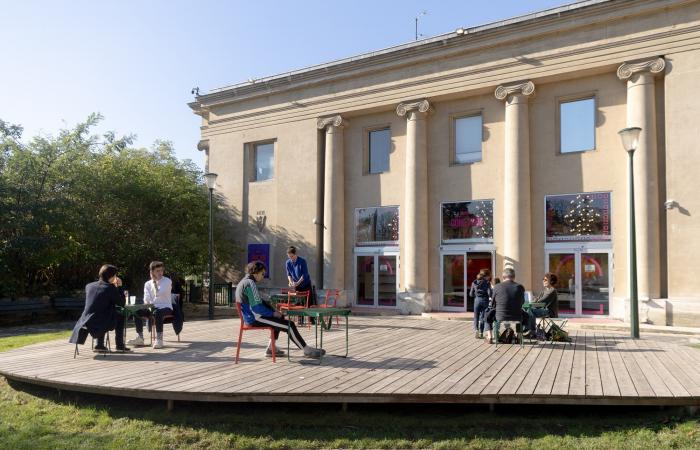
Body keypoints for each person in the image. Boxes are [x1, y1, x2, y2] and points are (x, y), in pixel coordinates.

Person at [236, 261, 323, 358]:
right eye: (262, 274)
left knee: (280, 319)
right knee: (290, 325)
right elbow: (256, 308)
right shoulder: (250, 283)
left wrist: (274, 312)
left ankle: (270, 349)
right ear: (256, 273)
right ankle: (306, 350)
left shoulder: (244, 282)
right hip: (255, 318)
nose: (263, 276)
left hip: (252, 317)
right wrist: (272, 314)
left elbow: (257, 303)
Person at [69, 264, 131, 353]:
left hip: (85, 321)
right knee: (120, 316)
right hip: (100, 322)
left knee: (103, 314)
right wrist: (120, 287)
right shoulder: (110, 287)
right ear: (111, 276)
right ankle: (119, 345)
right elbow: (121, 303)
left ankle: (100, 344)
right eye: (115, 275)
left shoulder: (89, 286)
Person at [486, 267, 525, 344]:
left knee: (487, 315)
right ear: (514, 277)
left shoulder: (497, 287)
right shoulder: (520, 287)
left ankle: (490, 337)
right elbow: (522, 302)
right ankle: (519, 336)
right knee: (525, 315)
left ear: (503, 277)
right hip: (517, 316)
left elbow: (493, 304)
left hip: (500, 316)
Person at [143, 261, 173, 349]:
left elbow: (158, 293)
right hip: (152, 307)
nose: (160, 273)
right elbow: (146, 298)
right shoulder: (147, 284)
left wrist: (154, 283)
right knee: (137, 311)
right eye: (157, 271)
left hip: (166, 307)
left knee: (158, 313)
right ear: (152, 272)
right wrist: (147, 303)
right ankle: (140, 337)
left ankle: (159, 340)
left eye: (161, 270)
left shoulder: (167, 281)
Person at [525, 272, 559, 338]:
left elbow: (541, 301)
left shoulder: (552, 291)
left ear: (551, 281)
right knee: (526, 310)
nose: (543, 281)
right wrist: (533, 302)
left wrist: (532, 302)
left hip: (549, 312)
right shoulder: (544, 291)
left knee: (530, 310)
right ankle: (527, 330)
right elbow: (536, 300)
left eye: (545, 280)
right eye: (543, 279)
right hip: (543, 309)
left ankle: (532, 331)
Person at [469, 269, 492, 339]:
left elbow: (471, 294)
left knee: (476, 316)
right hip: (485, 301)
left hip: (476, 301)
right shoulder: (487, 283)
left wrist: (476, 294)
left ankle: (476, 330)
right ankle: (481, 333)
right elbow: (490, 293)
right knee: (482, 317)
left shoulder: (474, 283)